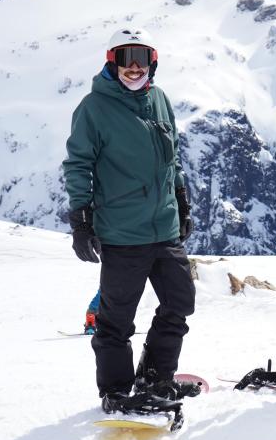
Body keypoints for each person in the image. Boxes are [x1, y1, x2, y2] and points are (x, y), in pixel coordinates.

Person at [62, 28, 198, 412]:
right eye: (125, 58)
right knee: (116, 321)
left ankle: (155, 379)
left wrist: (181, 200)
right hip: (122, 232)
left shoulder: (160, 99)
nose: (134, 66)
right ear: (112, 62)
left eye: (141, 57)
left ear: (152, 61)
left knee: (180, 303)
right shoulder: (94, 108)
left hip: (164, 228)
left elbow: (172, 157)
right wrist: (81, 220)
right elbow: (78, 164)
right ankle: (116, 392)